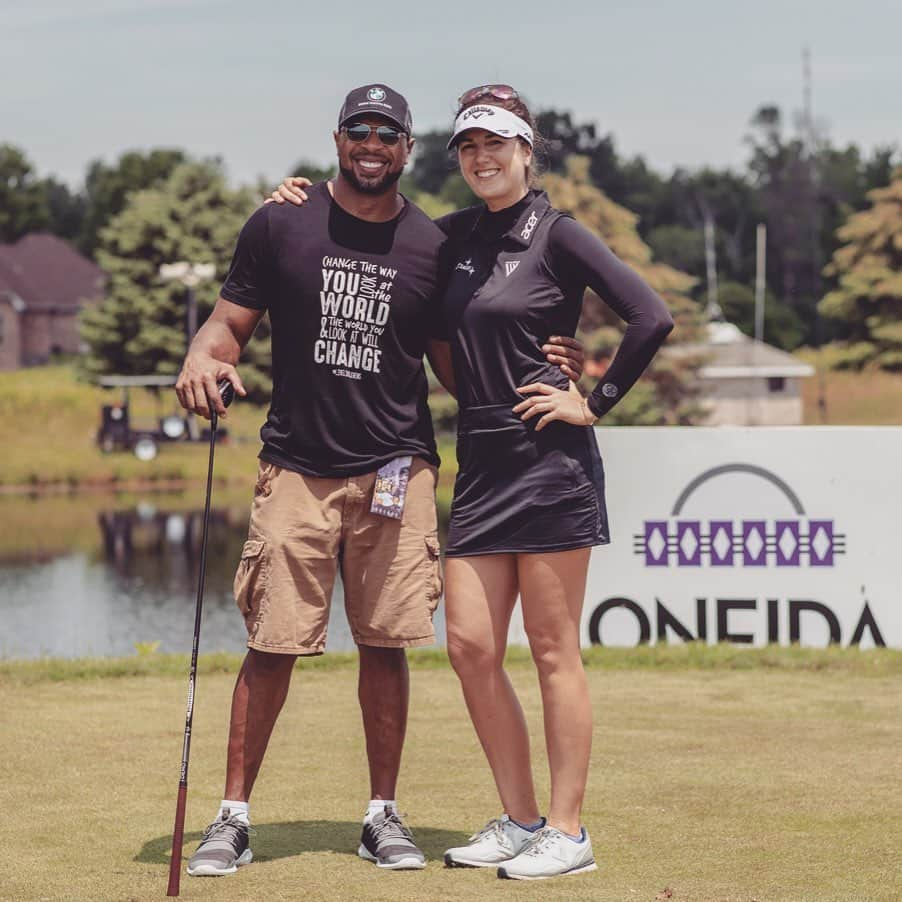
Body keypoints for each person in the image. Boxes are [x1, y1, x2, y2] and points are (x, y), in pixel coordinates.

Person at [175, 83, 584, 878]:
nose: (372, 142)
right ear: (336, 140)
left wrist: (556, 371)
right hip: (296, 467)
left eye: (387, 132)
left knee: (386, 644)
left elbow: (461, 359)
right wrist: (201, 355)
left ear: (406, 147)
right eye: (358, 129)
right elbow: (228, 324)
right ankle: (232, 818)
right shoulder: (280, 222)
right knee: (271, 645)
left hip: (399, 465)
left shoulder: (430, 245)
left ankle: (381, 815)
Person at [275, 85, 675, 880]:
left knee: (555, 652)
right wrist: (298, 203)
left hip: (550, 464)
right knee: (470, 647)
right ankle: (521, 817)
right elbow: (371, 222)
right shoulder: (452, 237)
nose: (482, 157)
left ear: (527, 149)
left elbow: (649, 315)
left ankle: (569, 831)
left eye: (497, 143)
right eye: (468, 146)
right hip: (483, 465)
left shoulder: (557, 234)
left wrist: (590, 400)